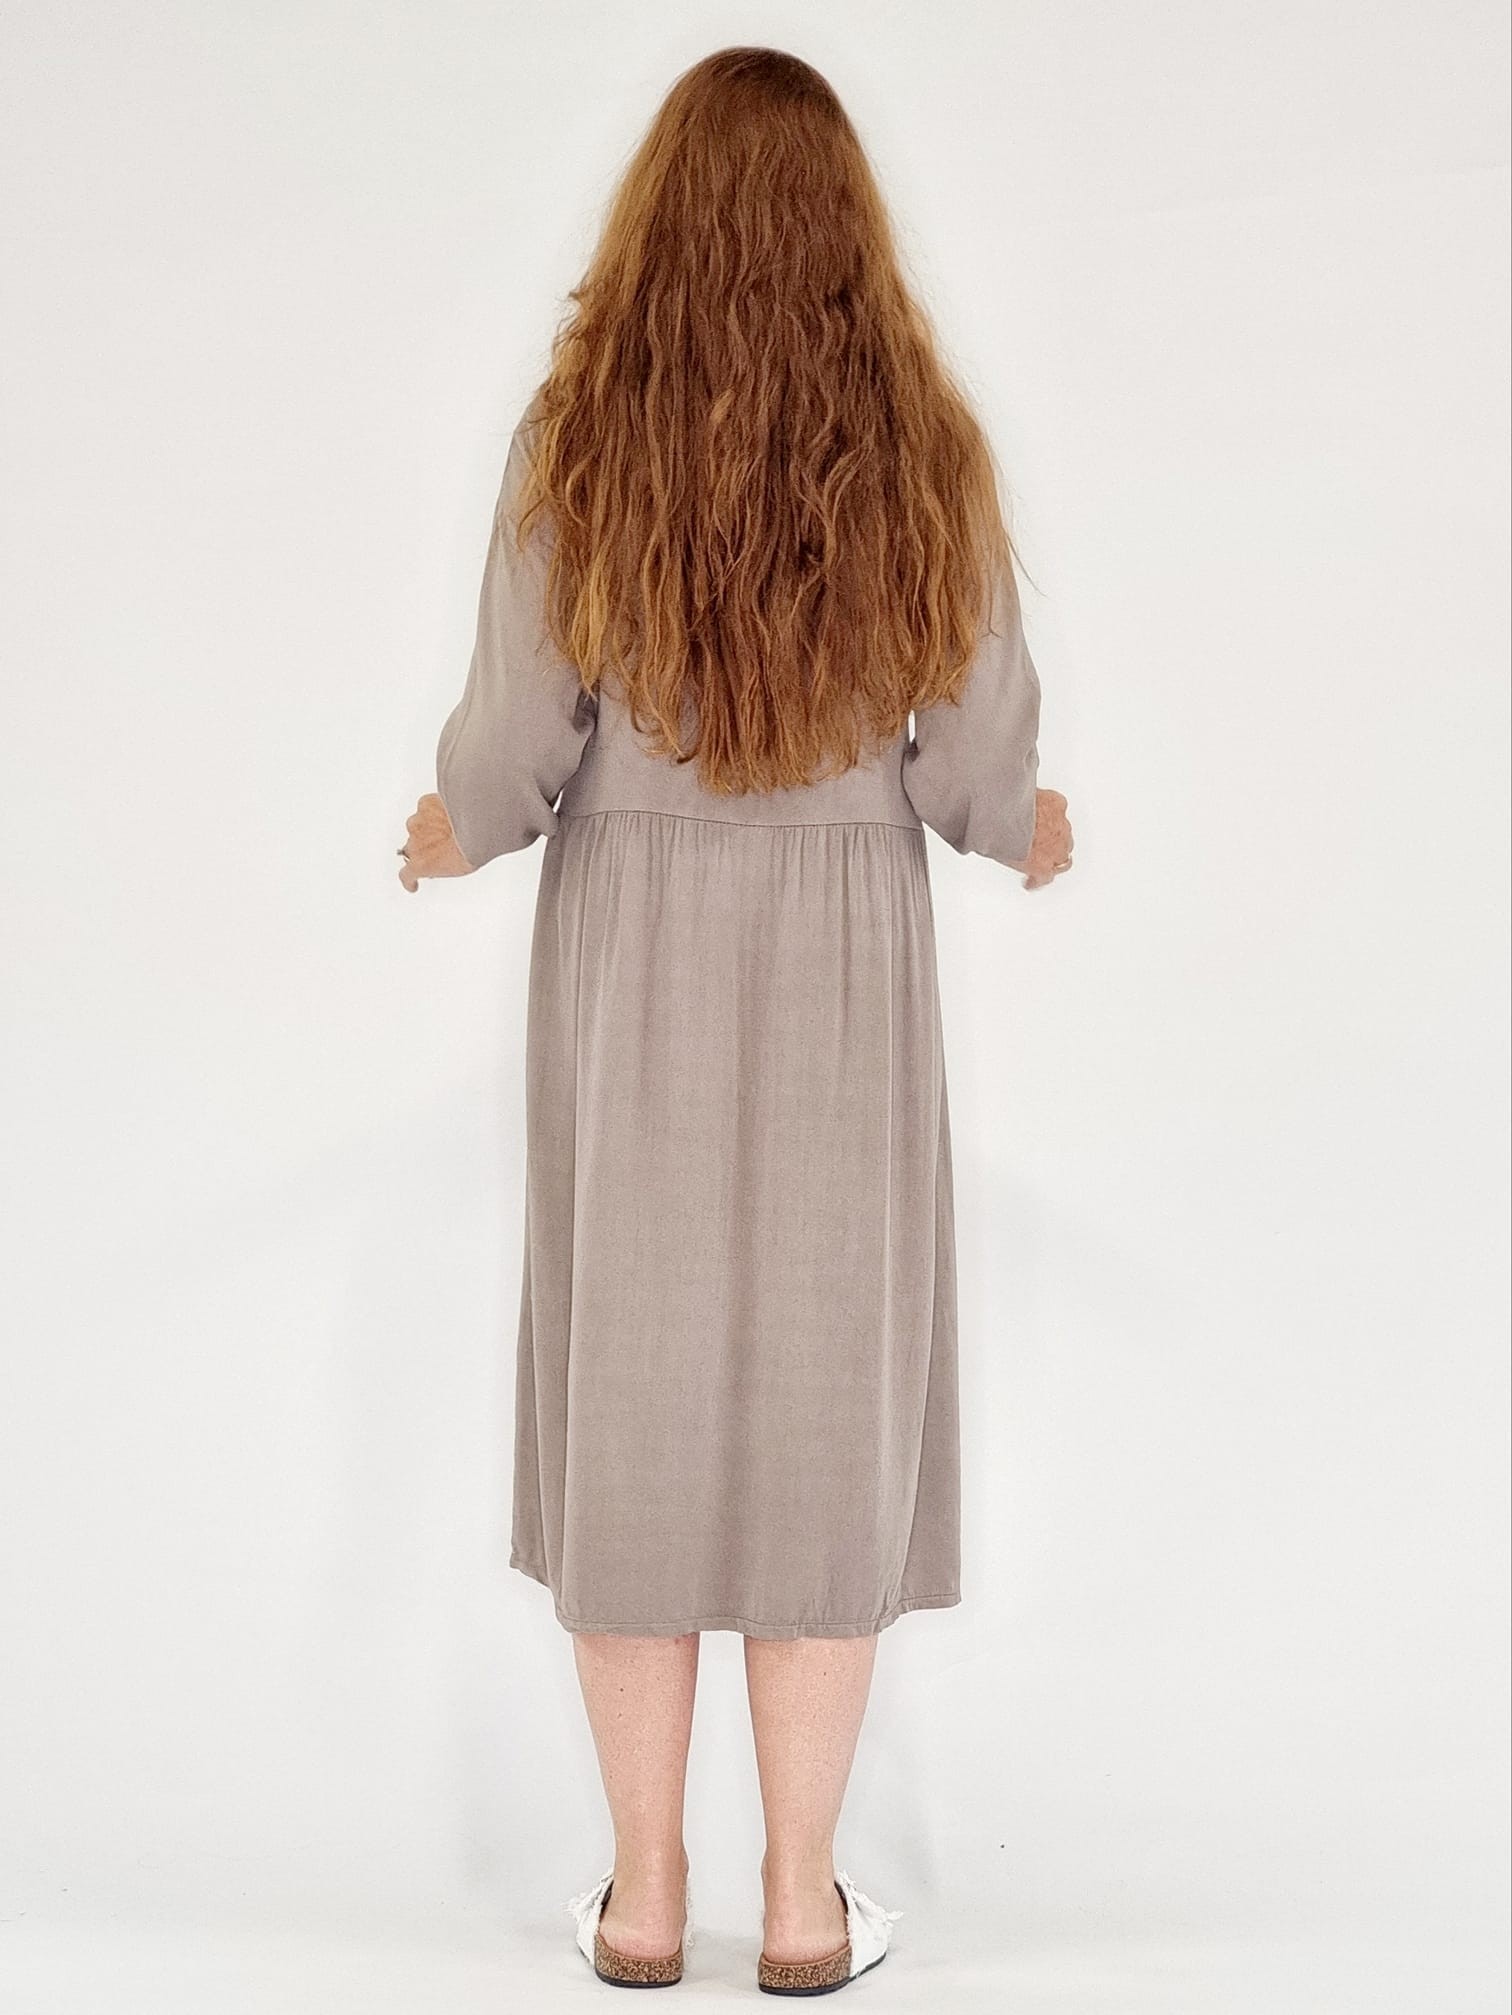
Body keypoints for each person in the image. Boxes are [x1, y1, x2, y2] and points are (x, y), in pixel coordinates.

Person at [397, 45, 1073, 1998]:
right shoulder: (922, 440)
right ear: (848, 225)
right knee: (825, 1401)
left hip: (639, 947)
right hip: (846, 944)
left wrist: (459, 822)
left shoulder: (583, 437)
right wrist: (1018, 824)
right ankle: (799, 1905)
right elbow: (968, 746)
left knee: (632, 1389)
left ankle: (640, 1902)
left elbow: (523, 736)